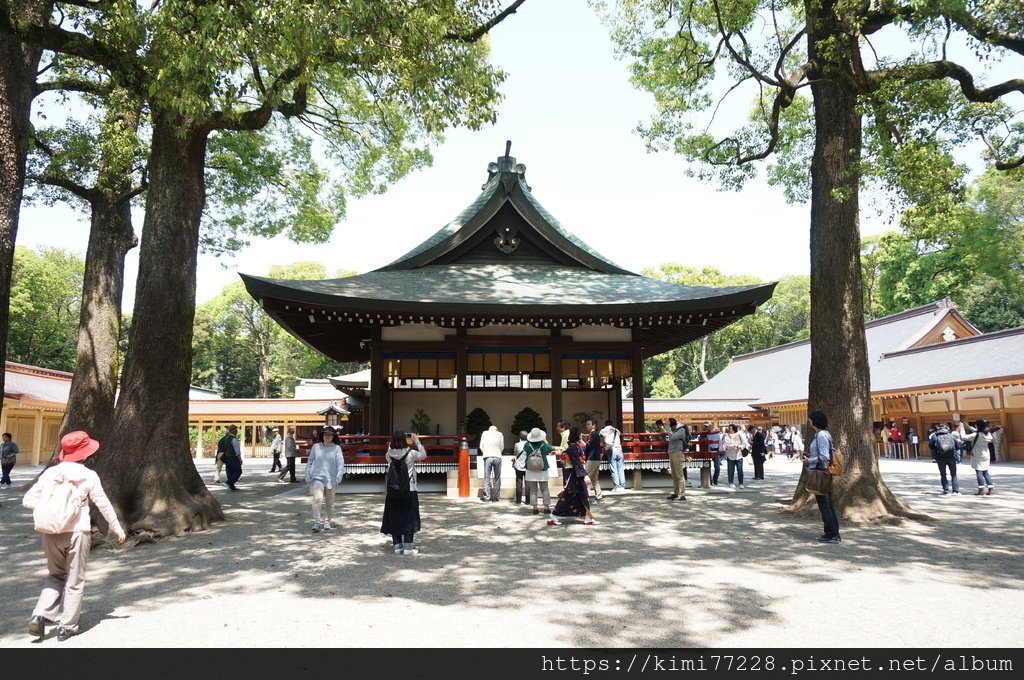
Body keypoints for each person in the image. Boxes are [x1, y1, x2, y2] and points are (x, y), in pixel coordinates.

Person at [23, 430, 126, 641]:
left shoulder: (50, 473)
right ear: (85, 453)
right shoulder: (89, 475)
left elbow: (28, 499)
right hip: (78, 532)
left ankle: (40, 615)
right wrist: (116, 527)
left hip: (50, 532)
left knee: (55, 575)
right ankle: (67, 626)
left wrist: (50, 508)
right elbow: (102, 503)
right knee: (75, 580)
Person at [380, 431, 427, 555]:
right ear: (404, 440)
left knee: (394, 517)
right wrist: (417, 441)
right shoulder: (410, 454)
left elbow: (391, 457)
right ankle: (408, 547)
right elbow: (423, 455)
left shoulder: (388, 455)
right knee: (409, 518)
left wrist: (390, 446)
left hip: (393, 490)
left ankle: (397, 546)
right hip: (409, 489)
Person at [803, 411, 840, 543]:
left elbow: (824, 456)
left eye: (811, 419)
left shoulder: (821, 436)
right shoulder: (824, 435)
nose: (809, 421)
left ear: (815, 421)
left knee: (824, 504)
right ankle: (834, 532)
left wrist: (810, 460)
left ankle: (831, 533)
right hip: (824, 471)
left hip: (821, 472)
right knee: (827, 503)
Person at [549, 426, 599, 526]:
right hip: (573, 473)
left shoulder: (574, 445)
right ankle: (554, 515)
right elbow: (576, 461)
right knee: (571, 494)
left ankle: (586, 516)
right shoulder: (573, 446)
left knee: (581, 494)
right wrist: (584, 475)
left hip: (575, 472)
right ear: (577, 435)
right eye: (580, 433)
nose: (581, 435)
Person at [305, 426, 345, 533]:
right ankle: (317, 522)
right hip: (318, 477)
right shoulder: (315, 447)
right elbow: (310, 461)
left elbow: (340, 463)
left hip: (331, 478)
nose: (327, 436)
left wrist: (339, 475)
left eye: (330, 435)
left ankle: (327, 521)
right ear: (322, 435)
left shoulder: (337, 448)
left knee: (330, 501)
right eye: (325, 434)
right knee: (317, 499)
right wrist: (307, 473)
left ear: (333, 437)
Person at [959, 420, 1001, 496]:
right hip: (986, 454)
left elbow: (963, 437)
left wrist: (962, 428)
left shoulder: (976, 435)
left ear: (979, 426)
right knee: (985, 472)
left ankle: (981, 490)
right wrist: (968, 427)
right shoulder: (988, 434)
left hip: (978, 454)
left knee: (979, 472)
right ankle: (990, 488)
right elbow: (977, 431)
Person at [524, 428, 553, 515]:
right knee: (544, 488)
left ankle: (535, 508)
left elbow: (525, 447)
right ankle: (546, 507)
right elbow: (550, 448)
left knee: (533, 489)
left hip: (530, 469)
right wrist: (545, 440)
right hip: (542, 469)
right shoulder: (544, 446)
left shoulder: (527, 446)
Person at [928, 422, 961, 495]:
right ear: (947, 428)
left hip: (940, 457)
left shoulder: (935, 436)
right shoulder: (951, 436)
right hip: (951, 457)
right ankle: (955, 491)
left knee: (943, 475)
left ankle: (946, 490)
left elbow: (930, 445)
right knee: (954, 475)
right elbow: (958, 446)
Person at [664, 418, 690, 501]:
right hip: (672, 453)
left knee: (679, 475)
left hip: (677, 453)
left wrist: (667, 428)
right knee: (674, 475)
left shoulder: (681, 430)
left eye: (668, 423)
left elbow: (672, 437)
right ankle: (676, 492)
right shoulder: (674, 430)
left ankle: (682, 494)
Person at [478, 425, 504, 502]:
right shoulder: (500, 434)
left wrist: (485, 452)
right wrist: (498, 452)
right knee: (497, 477)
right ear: (496, 429)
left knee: (486, 477)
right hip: (497, 456)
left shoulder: (484, 433)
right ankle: (495, 497)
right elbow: (502, 446)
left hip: (487, 456)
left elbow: (481, 446)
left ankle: (486, 497)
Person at [600, 419, 626, 492]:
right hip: (619, 450)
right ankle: (622, 485)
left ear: (605, 425)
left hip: (612, 451)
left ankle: (617, 486)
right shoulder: (616, 430)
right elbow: (620, 434)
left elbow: (600, 435)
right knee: (620, 469)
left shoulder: (603, 430)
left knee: (613, 469)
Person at [583, 419, 605, 502]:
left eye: (589, 424)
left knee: (584, 477)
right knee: (594, 479)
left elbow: (588, 446)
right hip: (597, 458)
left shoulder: (593, 434)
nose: (587, 426)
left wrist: (582, 440)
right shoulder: (595, 434)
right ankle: (599, 497)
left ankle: (584, 497)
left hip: (592, 458)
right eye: (587, 424)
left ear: (594, 425)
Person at [217, 425, 243, 491]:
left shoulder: (224, 438)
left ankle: (231, 487)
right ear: (235, 431)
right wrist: (240, 459)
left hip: (226, 456)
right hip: (233, 457)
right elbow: (237, 450)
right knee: (238, 471)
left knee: (229, 471)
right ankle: (228, 483)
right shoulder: (233, 439)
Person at [723, 424, 746, 489]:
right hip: (730, 455)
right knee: (730, 470)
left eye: (730, 428)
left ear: (734, 428)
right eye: (729, 428)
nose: (729, 429)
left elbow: (744, 443)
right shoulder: (726, 435)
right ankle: (731, 482)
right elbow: (726, 445)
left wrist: (740, 446)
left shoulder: (739, 434)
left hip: (739, 454)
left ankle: (741, 483)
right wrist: (734, 446)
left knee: (740, 470)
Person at [512, 430, 529, 505]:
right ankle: (528, 501)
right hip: (527, 466)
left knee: (519, 482)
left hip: (518, 466)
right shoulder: (529, 445)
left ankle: (518, 500)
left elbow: (515, 453)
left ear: (520, 437)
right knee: (528, 483)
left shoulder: (517, 444)